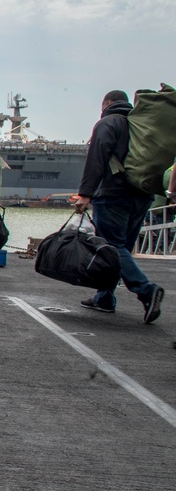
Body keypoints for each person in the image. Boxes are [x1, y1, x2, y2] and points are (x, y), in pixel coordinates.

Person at [74, 90, 163, 323]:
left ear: (107, 103)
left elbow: (98, 156)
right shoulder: (139, 124)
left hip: (113, 194)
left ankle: (146, 290)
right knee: (120, 249)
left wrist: (85, 193)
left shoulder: (108, 122)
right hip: (142, 195)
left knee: (111, 247)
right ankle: (104, 297)